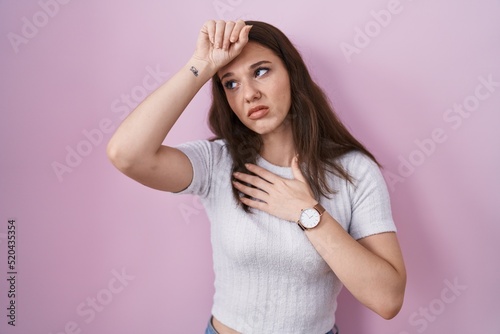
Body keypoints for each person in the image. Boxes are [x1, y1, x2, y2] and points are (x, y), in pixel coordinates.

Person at [107, 19, 406, 334]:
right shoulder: (217, 162)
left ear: (292, 74)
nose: (248, 94)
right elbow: (126, 154)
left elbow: (387, 299)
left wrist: (308, 214)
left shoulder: (354, 171)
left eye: (261, 71)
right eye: (230, 83)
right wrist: (201, 65)